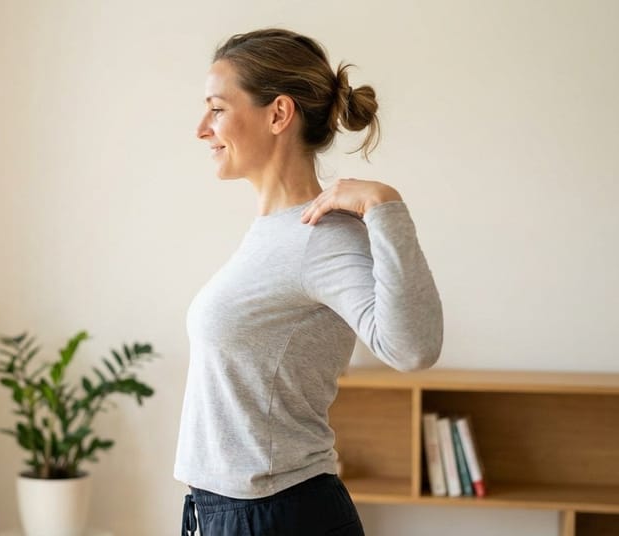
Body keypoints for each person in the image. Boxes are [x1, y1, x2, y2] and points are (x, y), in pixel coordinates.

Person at [175, 29, 443, 536]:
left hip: (278, 515)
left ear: (278, 114)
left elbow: (413, 349)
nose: (201, 129)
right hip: (230, 511)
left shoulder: (322, 238)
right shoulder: (275, 232)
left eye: (216, 109)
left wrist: (384, 205)